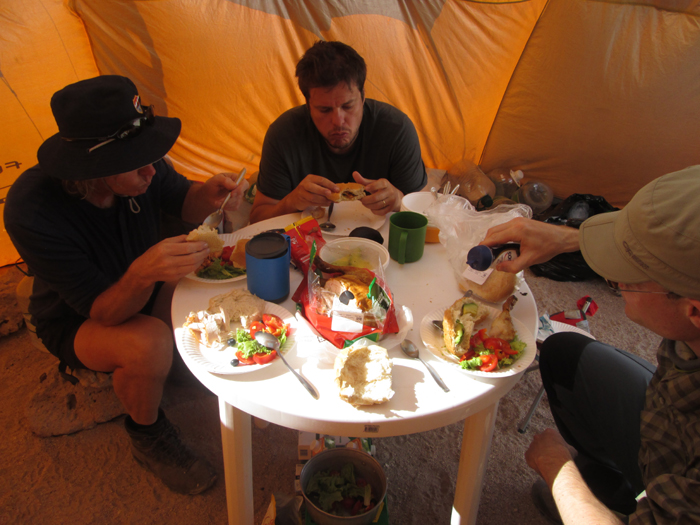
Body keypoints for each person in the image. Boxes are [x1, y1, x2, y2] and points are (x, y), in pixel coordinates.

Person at [4, 75, 248, 495]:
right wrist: (141, 273)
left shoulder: (144, 168)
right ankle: (146, 433)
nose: (151, 169)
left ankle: (167, 371)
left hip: (140, 286)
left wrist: (208, 195)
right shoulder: (33, 208)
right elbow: (102, 310)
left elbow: (182, 200)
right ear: (92, 168)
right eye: (136, 163)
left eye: (149, 156)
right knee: (149, 343)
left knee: (207, 282)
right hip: (77, 318)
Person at [480, 166, 700, 524]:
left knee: (566, 480)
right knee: (566, 355)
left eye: (625, 278)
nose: (613, 279)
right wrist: (563, 236)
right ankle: (615, 486)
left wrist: (557, 468)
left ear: (693, 310)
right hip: (669, 419)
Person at [250, 40, 427, 223]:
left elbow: (425, 212)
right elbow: (257, 218)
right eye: (324, 110)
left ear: (363, 96)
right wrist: (291, 202)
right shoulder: (283, 134)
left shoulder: (397, 129)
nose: (338, 121)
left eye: (348, 106)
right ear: (308, 104)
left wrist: (398, 200)